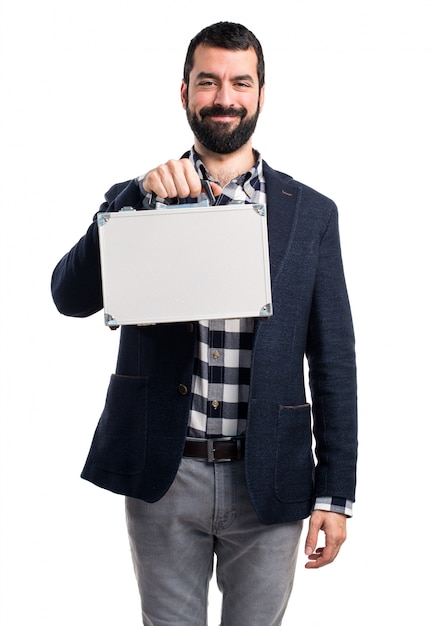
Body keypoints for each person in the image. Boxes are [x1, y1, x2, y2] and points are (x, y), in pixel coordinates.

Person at [51, 21, 357, 626]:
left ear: (260, 93)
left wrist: (336, 491)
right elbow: (68, 296)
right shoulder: (137, 199)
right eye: (208, 81)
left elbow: (334, 358)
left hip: (270, 476)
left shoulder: (312, 214)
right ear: (185, 91)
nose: (224, 97)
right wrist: (134, 199)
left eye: (240, 82)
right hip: (166, 472)